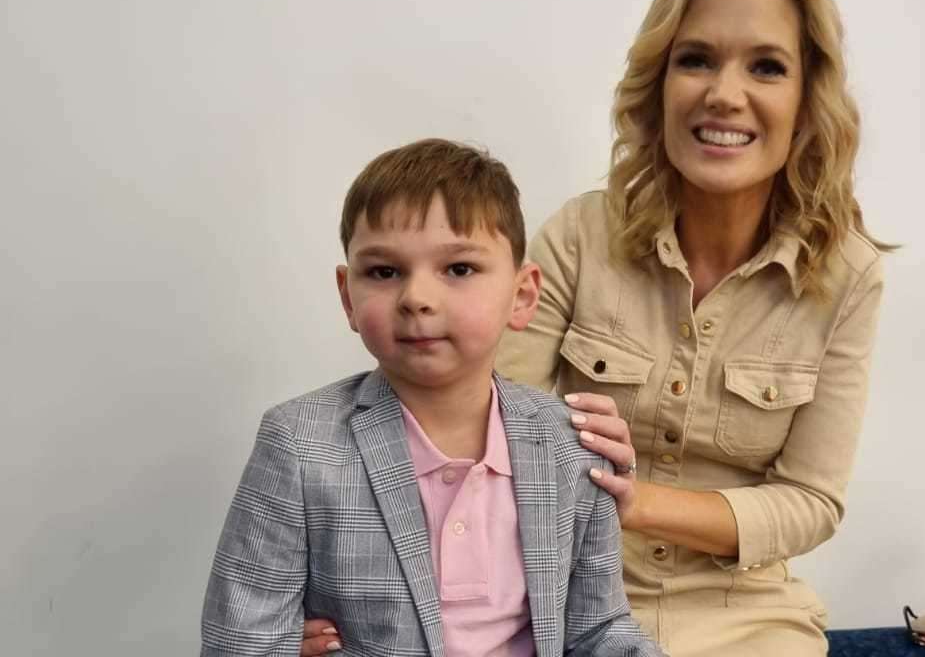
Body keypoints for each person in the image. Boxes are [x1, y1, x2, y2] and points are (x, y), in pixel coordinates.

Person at [303, 0, 888, 656]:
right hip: (550, 595)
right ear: (660, 83)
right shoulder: (581, 236)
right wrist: (349, 595)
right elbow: (463, 425)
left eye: (766, 67)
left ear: (806, 100)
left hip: (750, 618)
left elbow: (809, 502)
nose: (723, 94)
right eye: (695, 59)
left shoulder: (848, 276)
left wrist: (636, 503)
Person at [202, 139, 661, 656]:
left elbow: (599, 630)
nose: (417, 297)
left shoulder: (573, 445)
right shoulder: (299, 443)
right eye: (384, 271)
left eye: (459, 269)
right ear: (347, 296)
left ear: (523, 296)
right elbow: (240, 641)